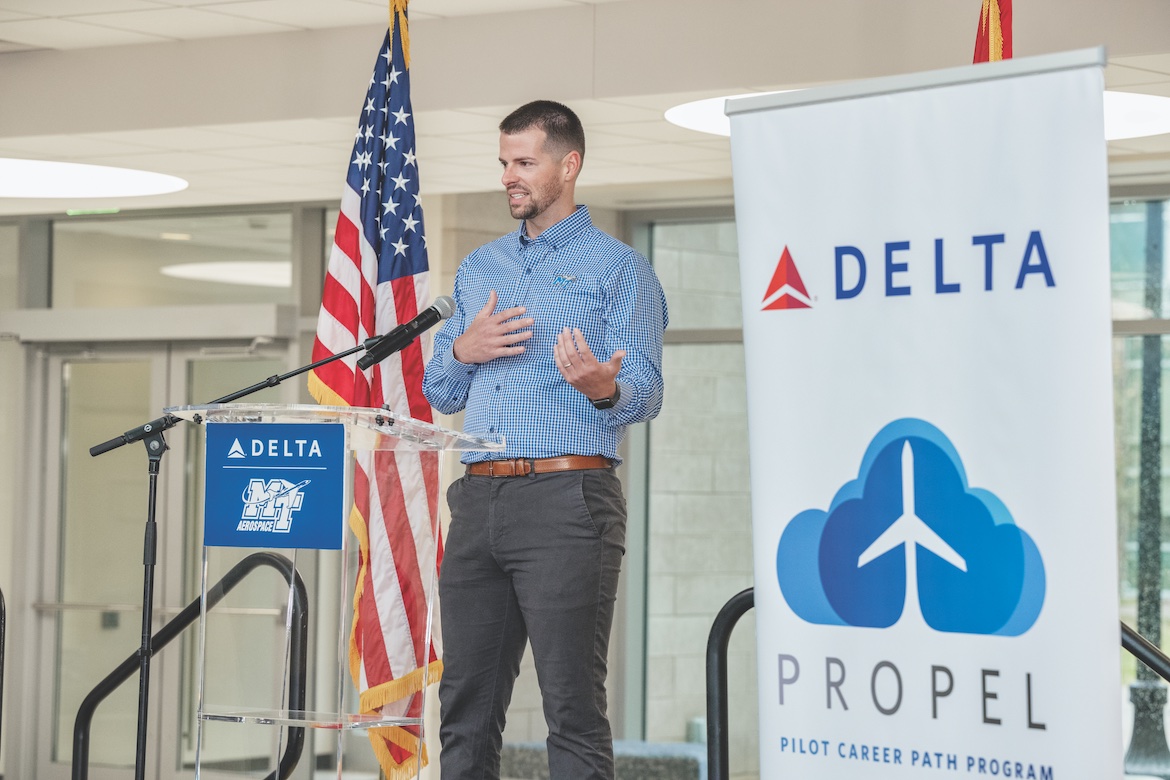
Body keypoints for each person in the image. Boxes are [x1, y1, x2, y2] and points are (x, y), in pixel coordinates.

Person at [422, 99, 668, 780]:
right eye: (504, 162)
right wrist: (464, 350)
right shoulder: (481, 267)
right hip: (478, 501)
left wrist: (602, 387)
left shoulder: (621, 270)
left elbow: (646, 392)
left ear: (569, 165)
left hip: (568, 500)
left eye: (525, 162)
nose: (510, 176)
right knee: (464, 707)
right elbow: (441, 392)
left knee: (572, 707)